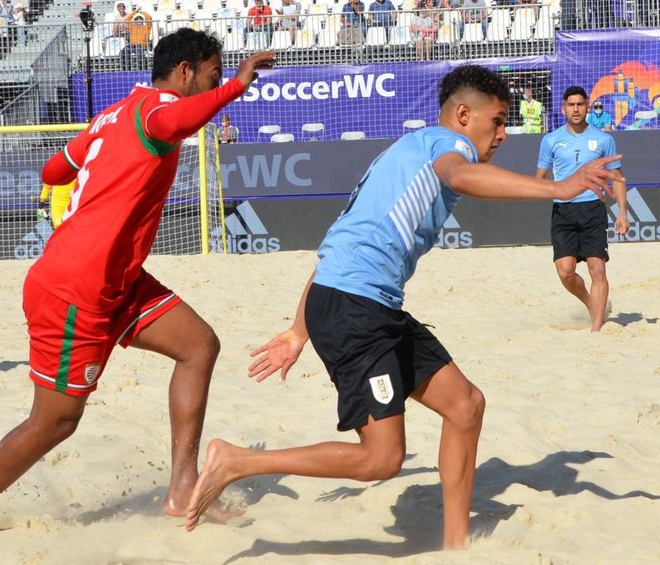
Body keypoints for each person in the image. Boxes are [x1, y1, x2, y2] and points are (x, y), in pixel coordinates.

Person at [183, 66, 623, 549]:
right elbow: (461, 175)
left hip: (362, 303)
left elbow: (338, 252)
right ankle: (237, 461)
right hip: (356, 310)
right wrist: (559, 188)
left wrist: (297, 331)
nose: (503, 133)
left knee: (465, 405)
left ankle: (456, 546)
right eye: (497, 121)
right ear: (462, 115)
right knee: (381, 459)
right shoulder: (446, 148)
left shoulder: (405, 152)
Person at [0, 29, 276, 544]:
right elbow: (177, 119)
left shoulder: (112, 115)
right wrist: (235, 85)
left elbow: (55, 169)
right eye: (210, 71)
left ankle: (183, 488)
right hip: (77, 288)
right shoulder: (158, 110)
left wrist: (99, 177)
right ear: (185, 71)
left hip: (117, 278)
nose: (214, 79)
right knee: (55, 422)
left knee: (198, 345)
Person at [535, 85, 627, 332]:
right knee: (566, 273)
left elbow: (617, 177)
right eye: (571, 105)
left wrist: (622, 213)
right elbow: (539, 176)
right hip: (563, 210)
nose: (575, 109)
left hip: (593, 210)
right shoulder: (551, 140)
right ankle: (591, 304)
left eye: (580, 104)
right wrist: (554, 189)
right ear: (563, 108)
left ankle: (596, 330)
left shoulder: (604, 139)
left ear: (587, 107)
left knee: (597, 268)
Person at [120, 4, 153, 70]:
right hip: (132, 45)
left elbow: (149, 18)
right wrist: (135, 11)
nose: (138, 21)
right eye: (136, 19)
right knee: (123, 52)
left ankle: (141, 70)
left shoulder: (146, 27)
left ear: (142, 20)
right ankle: (126, 69)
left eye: (140, 19)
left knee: (139, 52)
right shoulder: (133, 26)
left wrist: (141, 12)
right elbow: (127, 19)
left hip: (141, 45)